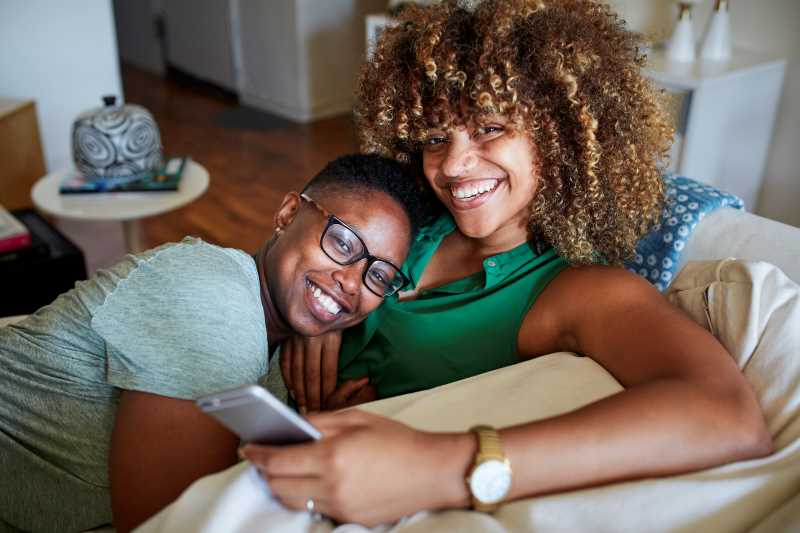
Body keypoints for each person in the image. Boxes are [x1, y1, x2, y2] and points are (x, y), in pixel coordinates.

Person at [243, 0, 773, 527]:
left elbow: (727, 418)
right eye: (435, 137)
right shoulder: (412, 223)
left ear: (559, 134)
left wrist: (447, 466)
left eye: (490, 128)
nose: (452, 165)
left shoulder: (574, 290)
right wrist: (324, 311)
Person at [0, 154, 427, 533]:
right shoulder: (214, 300)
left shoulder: (279, 360)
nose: (352, 282)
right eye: (341, 242)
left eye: (378, 276)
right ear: (288, 213)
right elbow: (173, 524)